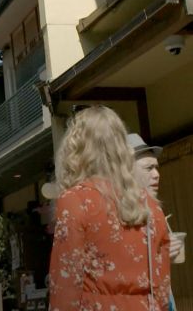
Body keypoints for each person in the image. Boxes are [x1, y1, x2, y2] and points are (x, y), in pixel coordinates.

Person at [49, 106, 171, 310]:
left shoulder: (76, 200)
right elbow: (162, 288)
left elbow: (65, 284)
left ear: (76, 148)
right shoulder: (150, 205)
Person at [128, 133, 184, 261]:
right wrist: (159, 253)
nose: (157, 174)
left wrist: (165, 251)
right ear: (127, 172)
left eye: (156, 167)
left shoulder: (155, 210)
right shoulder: (113, 211)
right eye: (149, 168)